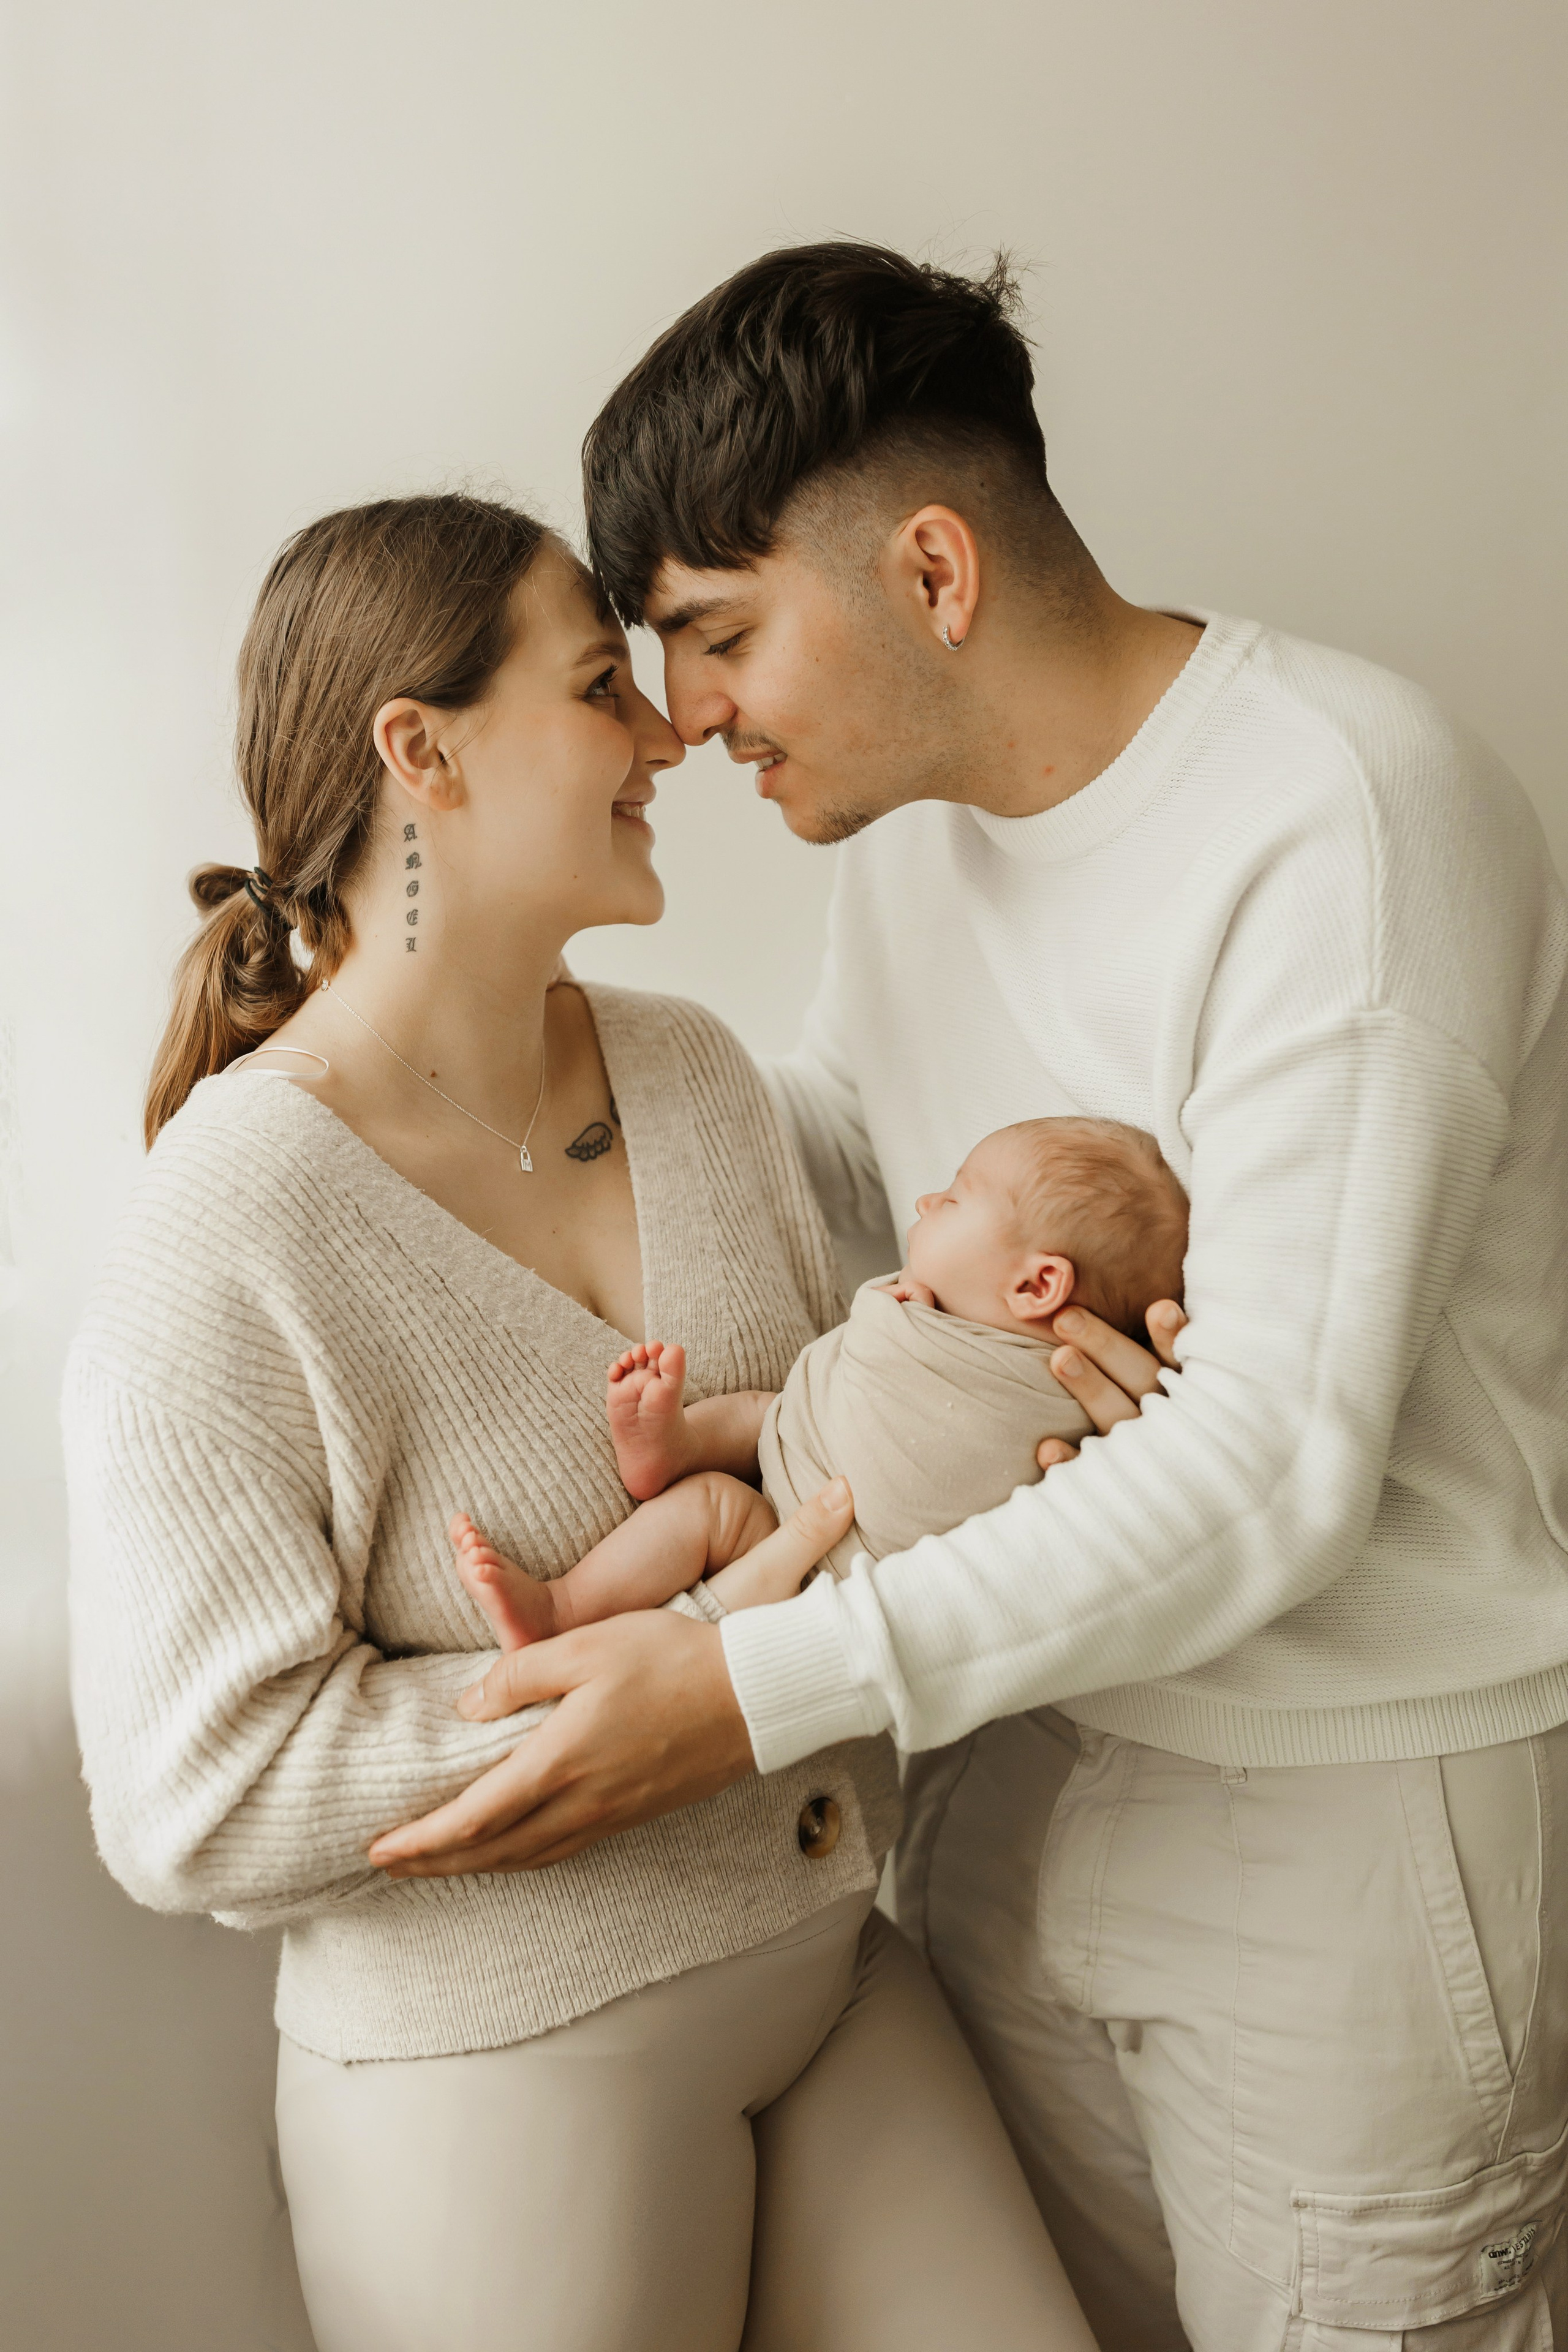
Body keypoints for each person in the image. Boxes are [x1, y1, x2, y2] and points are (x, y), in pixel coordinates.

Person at [372, 249, 1568, 2352]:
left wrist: (749, 1685)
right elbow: (836, 1175)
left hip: (1344, 1839)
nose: (683, 719)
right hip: (1012, 1772)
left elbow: (1269, 1469)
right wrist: (458, 1067)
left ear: (932, 569)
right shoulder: (909, 843)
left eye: (721, 637)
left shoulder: (1347, 822)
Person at [62, 492, 1101, 2352]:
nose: (665, 733)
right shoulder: (230, 1222)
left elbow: (825, 1453)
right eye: (597, 687)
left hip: (833, 1967)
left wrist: (1043, 1390)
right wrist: (685, 1660)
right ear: (420, 751)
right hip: (504, 2071)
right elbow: (191, 1792)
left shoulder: (698, 1072)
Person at [448, 1115, 1181, 1645]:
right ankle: (670, 1448)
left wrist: (900, 1307)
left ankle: (564, 1609)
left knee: (724, 1488)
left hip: (817, 1569)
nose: (926, 1202)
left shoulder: (937, 1331)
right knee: (772, 1415)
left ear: (1037, 1285)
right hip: (843, 1550)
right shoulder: (1088, 1394)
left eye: (953, 1199)